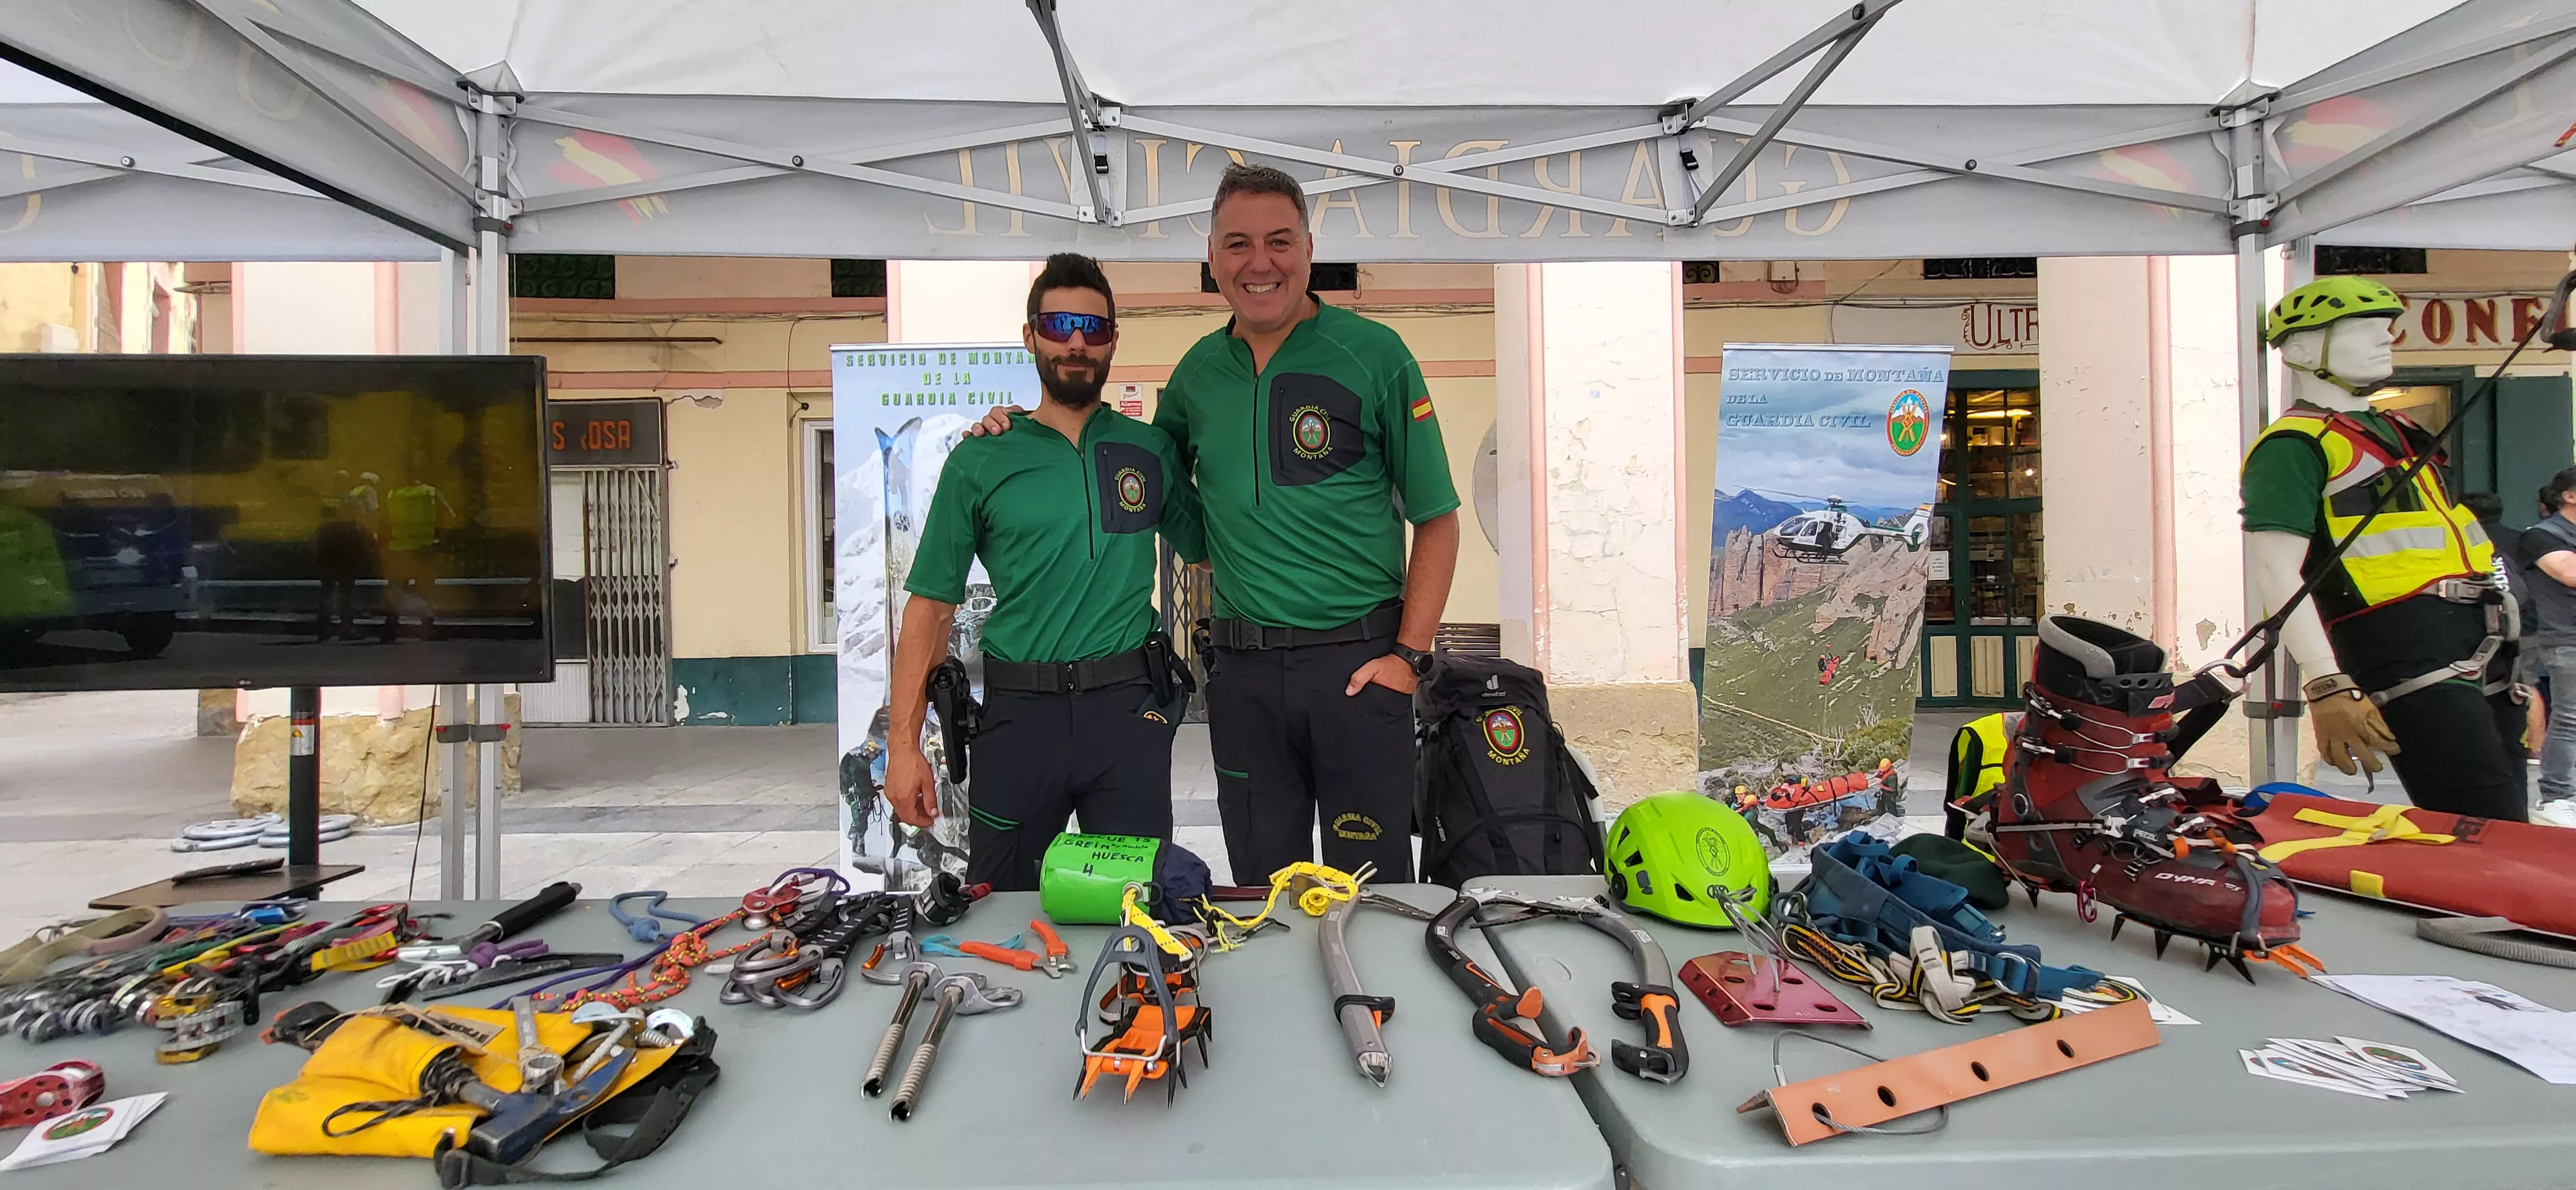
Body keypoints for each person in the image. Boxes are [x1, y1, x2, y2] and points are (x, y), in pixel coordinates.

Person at [967, 164, 1463, 884]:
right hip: (1244, 678)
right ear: (1211, 257)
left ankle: (1372, 1004)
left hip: (1359, 669)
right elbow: (1133, 465)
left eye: (1278, 242)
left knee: (1374, 888)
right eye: (1237, 244)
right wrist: (1014, 427)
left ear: (1307, 247)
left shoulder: (1377, 357)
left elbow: (1438, 519)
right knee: (1262, 890)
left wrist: (1408, 659)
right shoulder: (1197, 374)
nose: (1259, 263)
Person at [884, 253, 1206, 891]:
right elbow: (930, 609)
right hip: (1019, 718)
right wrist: (902, 748)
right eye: (1058, 325)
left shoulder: (1147, 451)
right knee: (1002, 907)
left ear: (1114, 339)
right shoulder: (981, 458)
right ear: (1030, 335)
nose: (1077, 342)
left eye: (1093, 327)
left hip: (1127, 713)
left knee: (1133, 910)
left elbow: (1211, 549)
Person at [2240, 276, 2526, 821]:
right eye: (2361, 329)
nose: (2386, 338)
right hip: (2402, 645)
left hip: (2481, 638)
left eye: (2386, 328)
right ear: (2301, 349)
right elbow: (2275, 570)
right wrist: (2326, 682)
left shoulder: (2398, 428)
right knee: (2479, 821)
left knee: (2507, 822)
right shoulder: (2293, 446)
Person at [2517, 469, 2576, 827]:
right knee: (2570, 719)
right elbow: (2569, 572)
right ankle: (2556, 798)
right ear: (2570, 495)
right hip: (2566, 638)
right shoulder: (2542, 536)